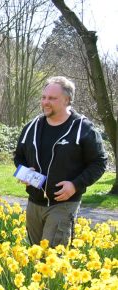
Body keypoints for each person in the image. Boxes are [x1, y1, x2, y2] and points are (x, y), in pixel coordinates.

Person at [13, 76, 107, 247]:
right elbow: (19, 157)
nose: (45, 102)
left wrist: (75, 185)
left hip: (64, 204)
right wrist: (24, 173)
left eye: (52, 98)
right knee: (35, 256)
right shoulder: (31, 127)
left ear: (67, 100)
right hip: (34, 202)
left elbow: (99, 162)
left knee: (52, 258)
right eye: (43, 97)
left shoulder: (83, 129)